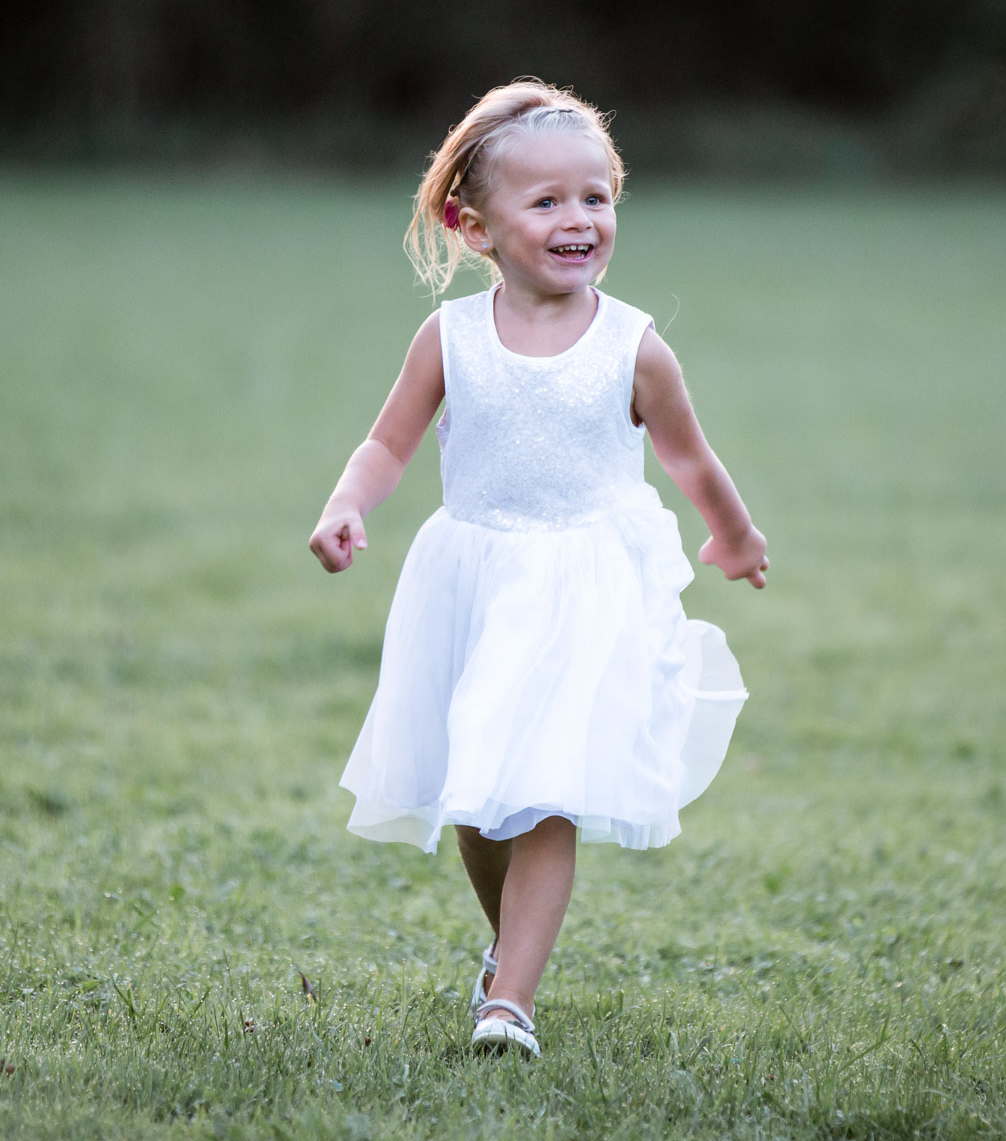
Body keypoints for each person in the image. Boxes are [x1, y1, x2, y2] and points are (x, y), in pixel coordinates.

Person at [308, 79, 768, 1058]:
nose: (579, 219)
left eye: (596, 197)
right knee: (480, 795)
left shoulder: (633, 346)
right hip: (473, 579)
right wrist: (348, 503)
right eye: (547, 201)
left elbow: (690, 456)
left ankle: (508, 1002)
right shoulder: (450, 338)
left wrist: (733, 532)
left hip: (587, 586)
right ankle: (505, 949)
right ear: (472, 225)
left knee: (545, 786)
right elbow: (388, 444)